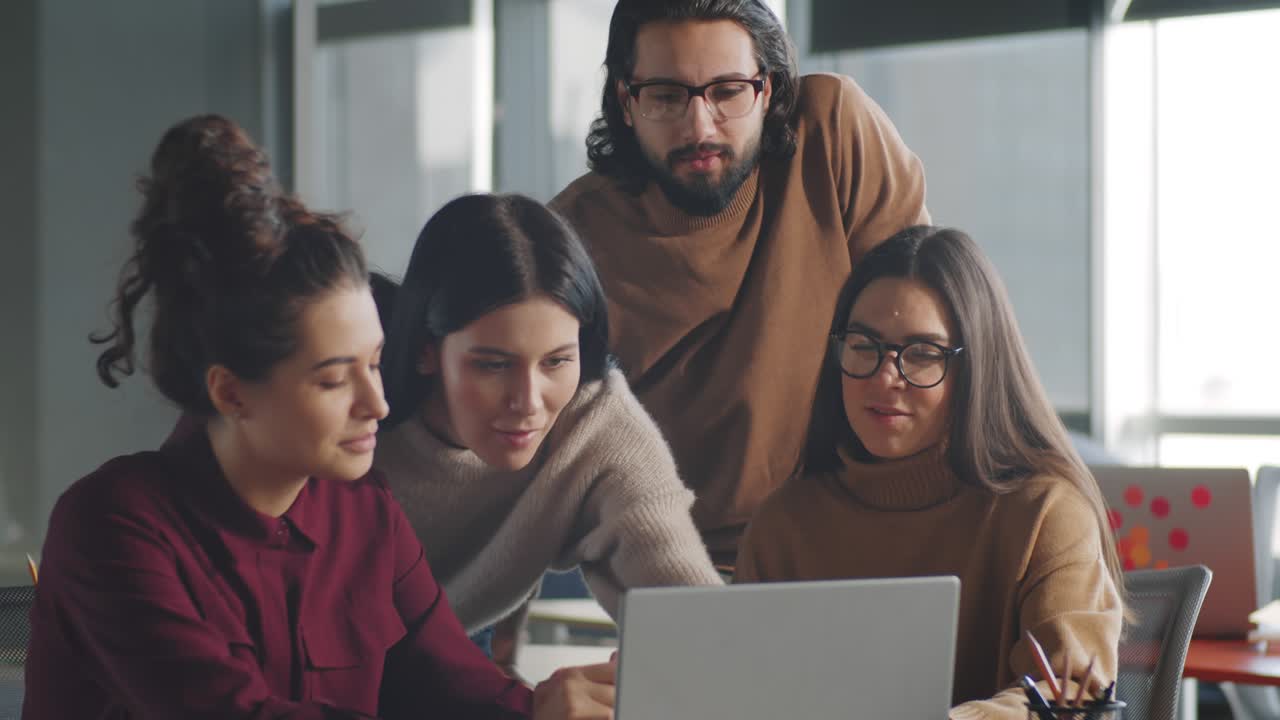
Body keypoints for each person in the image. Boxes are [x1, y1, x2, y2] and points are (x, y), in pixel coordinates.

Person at [24, 115, 614, 720]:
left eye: (375, 364)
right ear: (231, 393)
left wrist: (542, 710)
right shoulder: (112, 525)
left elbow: (455, 684)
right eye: (333, 379)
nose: (377, 404)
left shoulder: (364, 512)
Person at [549, 0, 930, 566]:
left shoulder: (833, 130)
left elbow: (932, 335)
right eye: (666, 96)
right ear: (627, 102)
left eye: (728, 91)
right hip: (684, 567)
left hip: (871, 535)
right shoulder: (572, 238)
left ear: (768, 89)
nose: (699, 127)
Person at [735, 226, 1125, 720]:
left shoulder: (1045, 512)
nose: (884, 377)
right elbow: (741, 692)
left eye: (922, 354)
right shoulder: (785, 524)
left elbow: (1071, 695)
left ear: (977, 367)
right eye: (863, 345)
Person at [373, 193, 722, 655]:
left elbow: (691, 604)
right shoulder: (356, 420)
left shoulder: (595, 421)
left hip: (460, 640)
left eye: (557, 361)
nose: (529, 403)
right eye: (493, 365)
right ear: (426, 351)